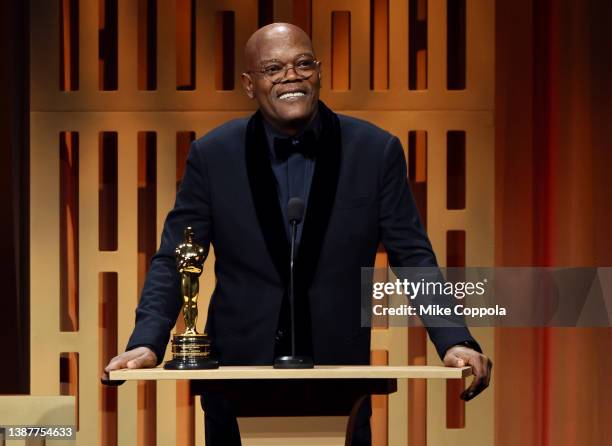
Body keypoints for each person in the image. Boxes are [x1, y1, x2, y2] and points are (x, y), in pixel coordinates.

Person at [103, 23, 492, 445]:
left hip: (339, 374)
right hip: (239, 373)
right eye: (273, 68)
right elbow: (176, 255)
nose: (291, 76)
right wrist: (147, 342)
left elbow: (413, 255)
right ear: (250, 84)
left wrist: (453, 339)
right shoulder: (213, 155)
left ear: (319, 72)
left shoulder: (375, 151)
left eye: (303, 63)